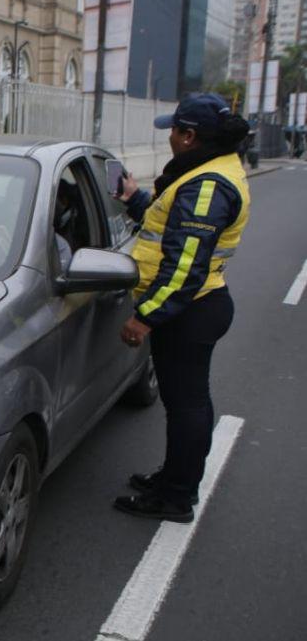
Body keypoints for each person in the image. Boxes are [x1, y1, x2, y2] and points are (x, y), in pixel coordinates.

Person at [112, 93, 251, 523]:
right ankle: (174, 478)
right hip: (197, 304)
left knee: (188, 406)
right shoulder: (208, 171)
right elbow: (168, 227)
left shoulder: (207, 186)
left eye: (174, 129)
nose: (169, 135)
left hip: (191, 308)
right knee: (186, 403)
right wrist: (136, 199)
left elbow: (184, 267)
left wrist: (145, 316)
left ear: (189, 137)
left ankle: (175, 497)